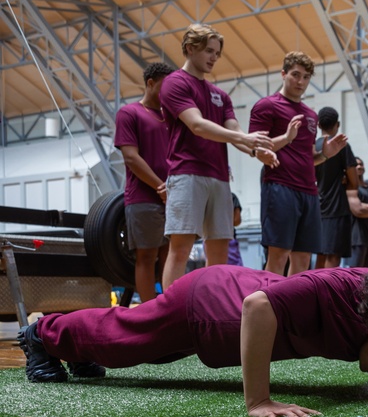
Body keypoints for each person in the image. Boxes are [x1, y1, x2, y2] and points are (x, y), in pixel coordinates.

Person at [18, 267, 368, 417]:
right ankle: (41, 335)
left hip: (242, 293)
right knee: (128, 342)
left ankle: (72, 349)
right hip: (217, 306)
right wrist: (259, 400)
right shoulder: (330, 290)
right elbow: (257, 307)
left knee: (134, 344)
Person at [158, 23, 279, 291]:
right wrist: (246, 139)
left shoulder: (220, 94)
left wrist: (256, 149)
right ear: (190, 49)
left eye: (217, 53)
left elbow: (234, 130)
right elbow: (197, 125)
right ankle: (168, 313)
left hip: (219, 177)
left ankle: (210, 306)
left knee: (220, 251)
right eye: (209, 51)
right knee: (180, 249)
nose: (214, 57)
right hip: (186, 173)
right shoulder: (175, 83)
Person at [250, 52, 347, 277]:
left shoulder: (310, 115)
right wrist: (286, 137)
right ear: (283, 74)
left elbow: (308, 156)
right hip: (279, 186)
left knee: (303, 259)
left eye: (305, 77)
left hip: (309, 192)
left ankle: (294, 309)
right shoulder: (267, 106)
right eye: (295, 75)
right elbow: (255, 148)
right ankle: (267, 308)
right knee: (279, 255)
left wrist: (326, 154)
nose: (300, 82)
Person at [115, 62, 175, 302]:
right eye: (165, 87)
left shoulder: (172, 118)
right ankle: (150, 312)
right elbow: (130, 156)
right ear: (150, 83)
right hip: (144, 198)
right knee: (147, 256)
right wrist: (160, 186)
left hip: (173, 197)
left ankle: (171, 309)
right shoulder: (129, 113)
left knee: (171, 255)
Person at [314, 107, 359, 269]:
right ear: (337, 124)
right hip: (336, 207)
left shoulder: (312, 146)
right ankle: (328, 293)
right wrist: (346, 179)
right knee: (333, 257)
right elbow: (354, 181)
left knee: (319, 255)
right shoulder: (341, 145)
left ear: (318, 125)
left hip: (316, 207)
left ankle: (313, 293)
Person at [227, 192, 244, 266]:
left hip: (209, 238)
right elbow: (237, 220)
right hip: (227, 239)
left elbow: (237, 220)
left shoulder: (231, 196)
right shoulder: (230, 196)